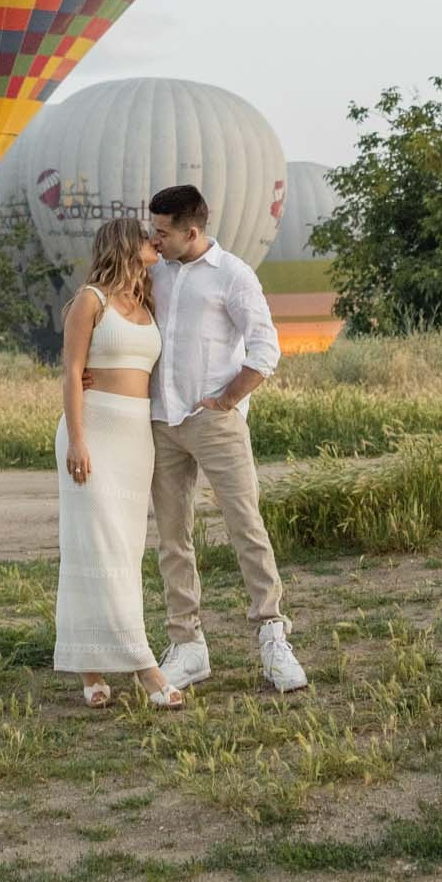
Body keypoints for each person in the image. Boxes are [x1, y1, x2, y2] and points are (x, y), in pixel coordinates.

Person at [146, 183, 308, 697]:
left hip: (214, 421)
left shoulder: (233, 275)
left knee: (245, 526)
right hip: (161, 421)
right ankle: (187, 645)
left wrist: (227, 399)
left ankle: (272, 634)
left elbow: (265, 349)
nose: (154, 240)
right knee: (173, 537)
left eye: (163, 232)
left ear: (191, 231)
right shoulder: (154, 273)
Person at [55, 214, 187, 712]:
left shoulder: (146, 300)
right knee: (96, 547)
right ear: (122, 245)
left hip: (136, 437)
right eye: (145, 238)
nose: (154, 242)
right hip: (94, 433)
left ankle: (87, 662)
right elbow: (70, 373)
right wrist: (77, 439)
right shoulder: (90, 300)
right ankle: (145, 667)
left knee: (120, 553)